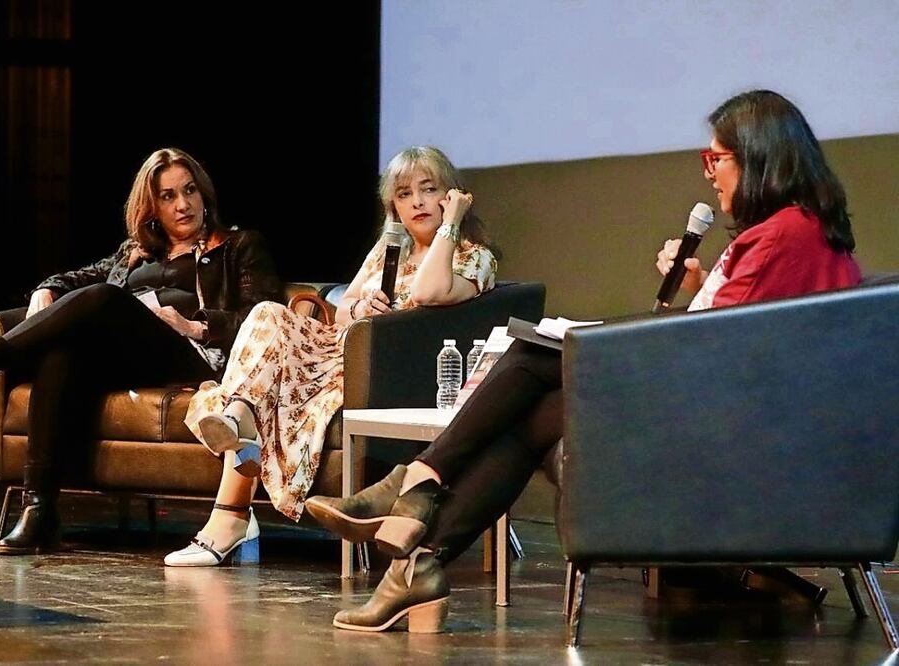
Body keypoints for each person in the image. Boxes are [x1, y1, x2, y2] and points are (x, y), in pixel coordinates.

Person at [305, 89, 861, 633]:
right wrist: (695, 290)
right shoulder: (799, 231)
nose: (709, 174)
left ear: (759, 157)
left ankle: (416, 492)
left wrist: (610, 339)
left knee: (531, 356)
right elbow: (737, 337)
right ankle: (417, 561)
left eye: (716, 159)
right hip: (729, 411)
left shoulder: (782, 236)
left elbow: (714, 352)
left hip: (733, 431)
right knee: (534, 410)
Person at [0, 147, 282, 555]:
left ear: (203, 193)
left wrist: (196, 326)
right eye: (168, 196)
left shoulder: (239, 246)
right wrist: (46, 289)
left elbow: (263, 315)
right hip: (126, 356)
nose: (183, 204)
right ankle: (39, 509)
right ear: (152, 208)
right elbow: (75, 279)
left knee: (105, 298)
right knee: (62, 354)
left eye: (189, 190)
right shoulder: (134, 252)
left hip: (188, 354)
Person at [163, 146, 499, 567]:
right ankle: (238, 418)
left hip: (379, 368)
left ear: (451, 195)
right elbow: (342, 309)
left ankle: (229, 518)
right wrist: (361, 308)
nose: (417, 202)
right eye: (404, 194)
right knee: (267, 314)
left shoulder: (473, 257)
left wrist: (450, 224)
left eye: (429, 190)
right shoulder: (388, 249)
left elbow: (429, 292)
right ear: (393, 206)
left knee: (273, 389)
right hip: (334, 349)